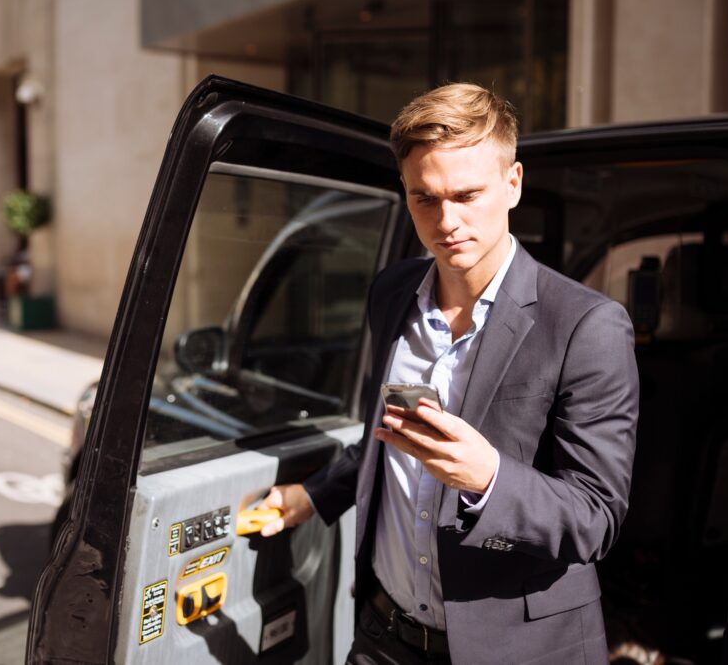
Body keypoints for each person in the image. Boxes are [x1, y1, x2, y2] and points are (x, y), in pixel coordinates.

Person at [260, 84, 639, 664]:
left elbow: (596, 517)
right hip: (385, 633)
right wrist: (313, 495)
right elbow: (384, 436)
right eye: (424, 199)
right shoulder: (390, 293)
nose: (447, 221)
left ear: (513, 183)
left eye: (467, 195)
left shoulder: (588, 325)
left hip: (518, 650)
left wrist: (488, 477)